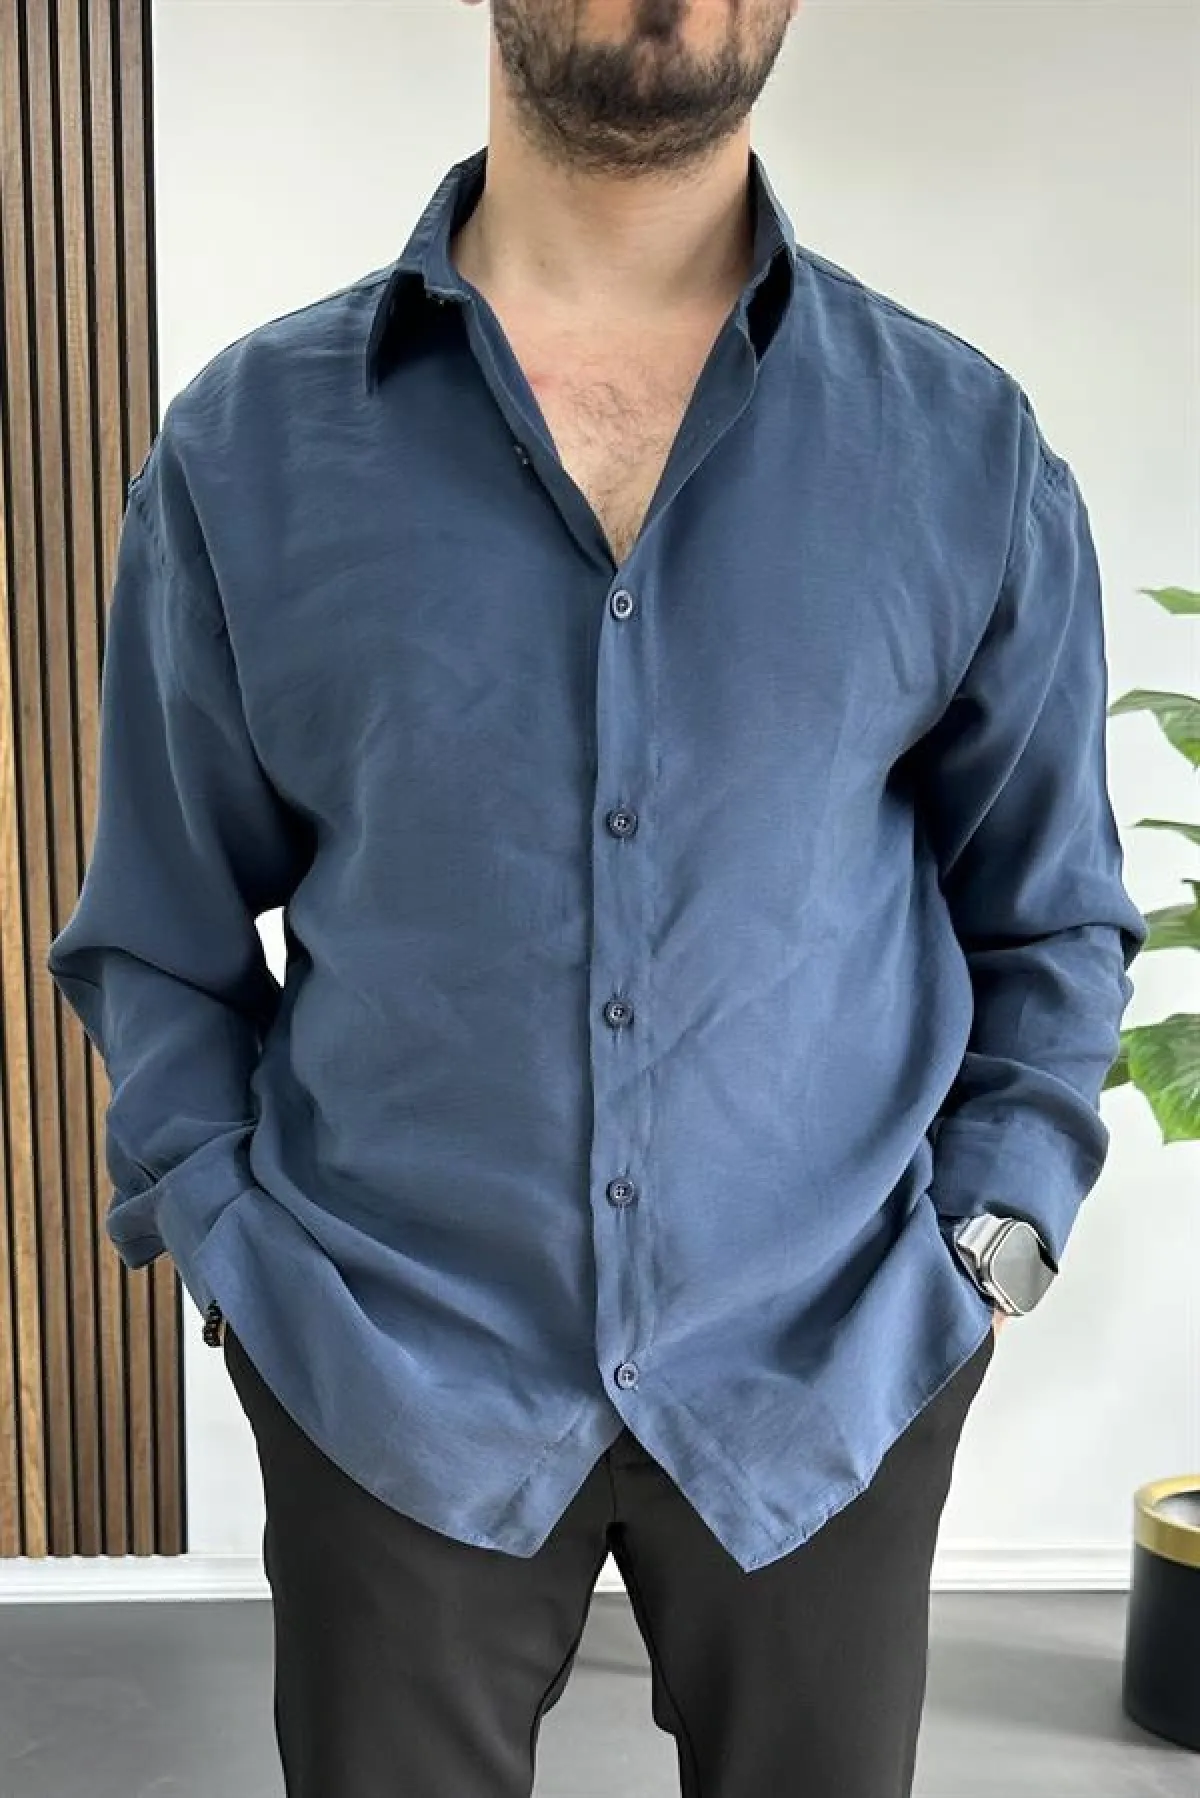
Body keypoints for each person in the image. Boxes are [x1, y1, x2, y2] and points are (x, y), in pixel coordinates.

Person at [46, 2, 1147, 1794]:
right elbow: (160, 934)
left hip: (837, 1361)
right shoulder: (246, 453)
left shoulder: (960, 450)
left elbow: (1052, 915)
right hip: (383, 1364)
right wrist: (241, 1256)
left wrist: (989, 1245)